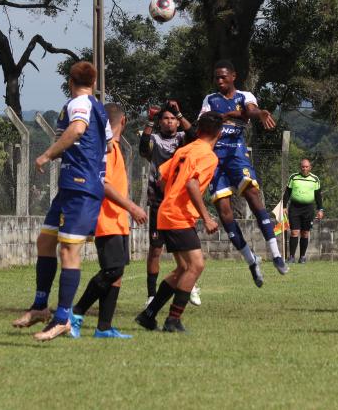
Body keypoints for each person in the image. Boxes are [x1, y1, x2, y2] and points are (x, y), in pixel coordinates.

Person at [11, 61, 111, 341]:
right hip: (71, 187)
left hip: (82, 188)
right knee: (46, 241)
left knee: (69, 251)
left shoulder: (80, 103)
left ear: (70, 81)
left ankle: (63, 318)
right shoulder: (98, 109)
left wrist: (47, 154)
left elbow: (78, 130)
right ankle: (41, 306)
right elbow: (109, 144)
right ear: (94, 82)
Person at [199, 60, 286, 288]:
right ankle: (251, 260)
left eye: (223, 77)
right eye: (216, 77)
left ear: (233, 76)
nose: (219, 81)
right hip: (214, 159)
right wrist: (228, 114)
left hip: (236, 155)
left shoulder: (245, 95)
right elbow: (203, 122)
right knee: (225, 212)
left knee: (253, 195)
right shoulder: (210, 99)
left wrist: (258, 114)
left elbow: (249, 110)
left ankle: (275, 252)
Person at [135, 111, 223, 333]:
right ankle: (173, 320)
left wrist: (172, 198)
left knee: (183, 268)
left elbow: (163, 178)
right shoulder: (208, 156)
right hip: (178, 215)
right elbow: (192, 185)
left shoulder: (184, 149)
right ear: (219, 134)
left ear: (199, 129)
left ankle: (148, 315)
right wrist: (207, 217)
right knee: (196, 265)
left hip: (166, 210)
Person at [69, 103, 147, 339]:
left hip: (118, 218)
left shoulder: (114, 146)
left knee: (117, 273)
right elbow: (103, 184)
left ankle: (104, 327)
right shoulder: (107, 147)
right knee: (112, 269)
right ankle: (76, 312)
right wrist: (132, 206)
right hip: (105, 217)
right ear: (123, 121)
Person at [138, 100, 202, 307]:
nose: (169, 122)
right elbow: (142, 148)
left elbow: (196, 136)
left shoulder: (183, 138)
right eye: (165, 118)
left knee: (181, 249)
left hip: (179, 200)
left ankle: (190, 284)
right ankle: (150, 296)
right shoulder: (154, 139)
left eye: (172, 119)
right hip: (158, 200)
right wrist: (149, 119)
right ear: (160, 121)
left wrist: (180, 113)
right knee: (155, 249)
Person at [282, 158, 324, 263]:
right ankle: (291, 257)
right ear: (300, 167)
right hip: (294, 208)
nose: (304, 168)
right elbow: (287, 192)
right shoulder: (294, 177)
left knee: (305, 233)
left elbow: (318, 196)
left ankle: (302, 257)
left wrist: (320, 209)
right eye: (302, 167)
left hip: (308, 209)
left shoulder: (315, 179)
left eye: (306, 167)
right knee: (294, 232)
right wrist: (284, 206)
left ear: (310, 167)